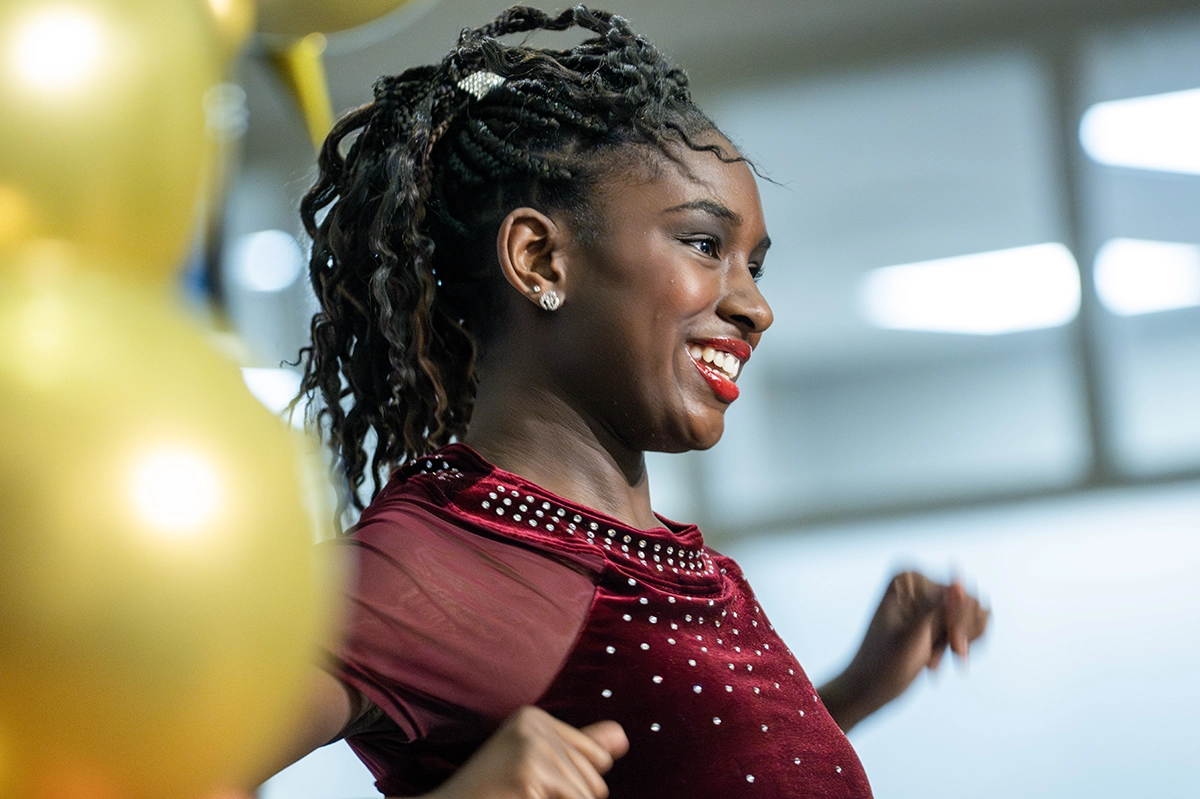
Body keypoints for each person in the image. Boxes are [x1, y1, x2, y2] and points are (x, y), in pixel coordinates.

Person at [285, 5, 990, 798]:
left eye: (756, 266)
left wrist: (849, 696)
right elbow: (130, 770)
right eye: (703, 245)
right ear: (540, 258)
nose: (755, 306)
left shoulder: (667, 560)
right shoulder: (430, 564)